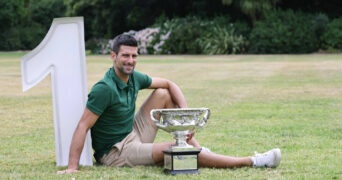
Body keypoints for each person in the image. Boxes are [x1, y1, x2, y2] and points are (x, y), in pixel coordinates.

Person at [57, 34, 281, 174]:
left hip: (133, 133)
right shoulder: (104, 89)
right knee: (176, 151)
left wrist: (188, 120)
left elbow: (170, 84)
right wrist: (72, 168)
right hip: (116, 152)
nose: (130, 61)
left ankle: (196, 145)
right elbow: (82, 126)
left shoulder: (134, 76)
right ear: (113, 56)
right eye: (125, 56)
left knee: (163, 92)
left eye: (134, 56)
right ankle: (253, 161)